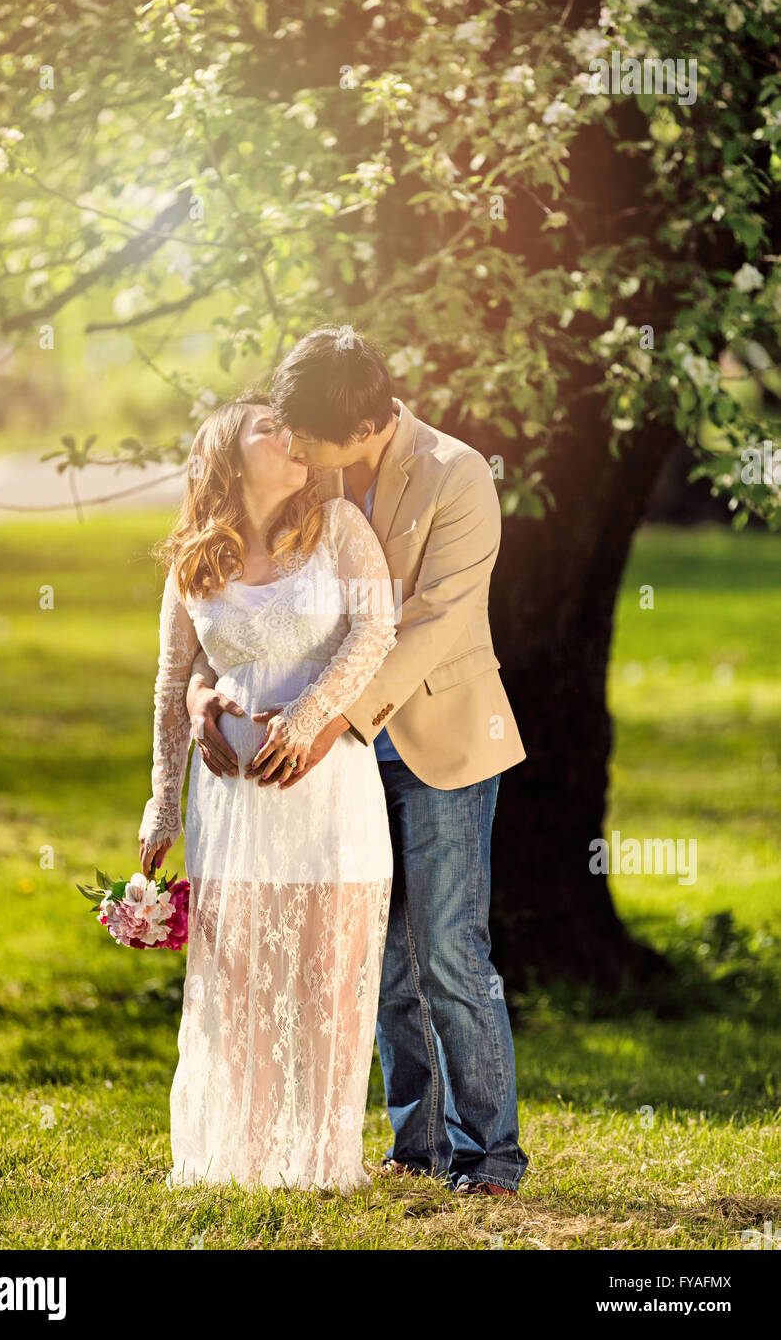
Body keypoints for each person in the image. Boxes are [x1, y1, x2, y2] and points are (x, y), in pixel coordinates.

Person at [187, 328, 529, 1195]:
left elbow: (432, 623)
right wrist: (205, 697)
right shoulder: (318, 473)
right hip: (321, 747)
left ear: (361, 424)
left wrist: (327, 720)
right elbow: (247, 600)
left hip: (432, 733)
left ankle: (487, 1154)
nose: (291, 448)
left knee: (448, 945)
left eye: (307, 435)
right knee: (375, 953)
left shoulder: (458, 475)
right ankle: (415, 1143)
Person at [138, 393, 397, 1193]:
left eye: (293, 427)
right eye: (265, 427)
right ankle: (236, 1160)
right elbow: (174, 678)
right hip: (233, 803)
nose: (290, 439)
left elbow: (375, 629)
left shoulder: (341, 528)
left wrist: (310, 718)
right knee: (239, 975)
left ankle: (318, 1162)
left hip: (329, 787)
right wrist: (163, 800)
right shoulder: (194, 557)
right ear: (224, 452)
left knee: (326, 971)